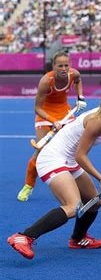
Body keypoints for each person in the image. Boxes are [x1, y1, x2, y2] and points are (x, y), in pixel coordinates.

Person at [7, 81, 101, 260]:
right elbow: (81, 156)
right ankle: (25, 236)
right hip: (52, 158)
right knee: (72, 206)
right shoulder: (98, 121)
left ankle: (77, 239)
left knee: (94, 203)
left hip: (68, 159)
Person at [17, 51, 87, 202]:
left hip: (65, 113)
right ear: (53, 66)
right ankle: (28, 186)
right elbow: (37, 108)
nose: (63, 68)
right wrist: (53, 120)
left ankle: (73, 185)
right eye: (60, 65)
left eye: (66, 65)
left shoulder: (73, 74)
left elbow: (78, 80)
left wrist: (80, 97)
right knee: (40, 152)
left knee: (73, 149)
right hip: (45, 114)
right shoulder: (46, 81)